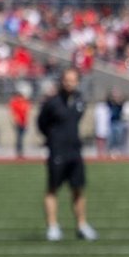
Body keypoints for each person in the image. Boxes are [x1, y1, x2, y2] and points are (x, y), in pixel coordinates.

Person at [39, 69, 97, 242]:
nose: (69, 83)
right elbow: (41, 123)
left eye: (72, 80)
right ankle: (53, 226)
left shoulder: (80, 101)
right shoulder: (52, 103)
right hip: (57, 152)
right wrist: (54, 139)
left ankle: (81, 225)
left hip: (75, 152)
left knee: (78, 189)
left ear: (78, 82)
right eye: (66, 80)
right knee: (52, 189)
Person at [9, 86, 32, 159]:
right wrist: (16, 120)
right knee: (19, 138)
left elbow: (27, 111)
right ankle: (19, 152)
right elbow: (13, 112)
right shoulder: (15, 101)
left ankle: (20, 152)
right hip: (18, 122)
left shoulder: (25, 101)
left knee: (21, 138)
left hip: (24, 122)